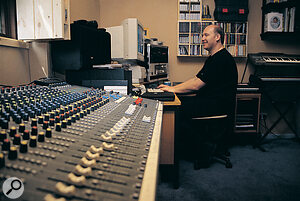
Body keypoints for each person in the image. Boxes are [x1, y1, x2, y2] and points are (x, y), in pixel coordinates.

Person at [158, 24, 238, 167]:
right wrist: (173, 88)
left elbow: (196, 85)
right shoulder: (214, 58)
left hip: (217, 106)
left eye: (206, 35)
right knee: (178, 102)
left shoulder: (221, 59)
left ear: (217, 37)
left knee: (176, 110)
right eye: (202, 35)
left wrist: (172, 89)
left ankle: (204, 148)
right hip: (211, 102)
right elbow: (196, 80)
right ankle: (202, 145)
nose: (202, 39)